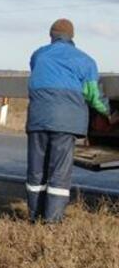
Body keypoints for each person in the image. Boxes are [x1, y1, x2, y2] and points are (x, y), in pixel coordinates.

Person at [26, 18, 110, 223]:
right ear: (72, 37)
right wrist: (108, 113)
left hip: (38, 119)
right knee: (59, 173)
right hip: (65, 123)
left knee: (36, 171)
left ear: (51, 35)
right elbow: (93, 96)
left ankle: (35, 217)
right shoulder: (85, 61)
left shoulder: (38, 55)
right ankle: (52, 222)